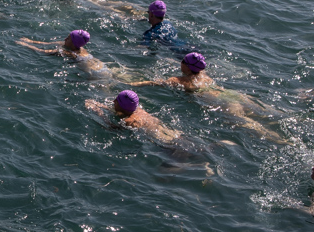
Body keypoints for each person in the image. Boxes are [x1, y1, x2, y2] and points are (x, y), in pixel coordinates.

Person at [126, 53, 286, 144]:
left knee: (250, 125)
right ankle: (280, 137)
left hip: (223, 103)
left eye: (182, 61)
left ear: (187, 67)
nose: (180, 63)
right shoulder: (203, 75)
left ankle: (279, 141)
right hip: (231, 95)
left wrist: (133, 83)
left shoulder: (180, 81)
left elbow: (155, 83)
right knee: (261, 117)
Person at [85, 90, 183, 147]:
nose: (114, 101)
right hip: (176, 136)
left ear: (122, 105)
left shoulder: (129, 121)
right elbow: (120, 111)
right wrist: (99, 105)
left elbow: (111, 128)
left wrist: (99, 113)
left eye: (117, 100)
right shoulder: (138, 110)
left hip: (171, 146)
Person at [17, 30, 114, 80]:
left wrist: (25, 45)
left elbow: (42, 52)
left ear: (73, 43)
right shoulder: (79, 47)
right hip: (100, 66)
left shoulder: (71, 54)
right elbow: (46, 44)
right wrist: (31, 41)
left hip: (97, 74)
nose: (64, 39)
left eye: (68, 38)